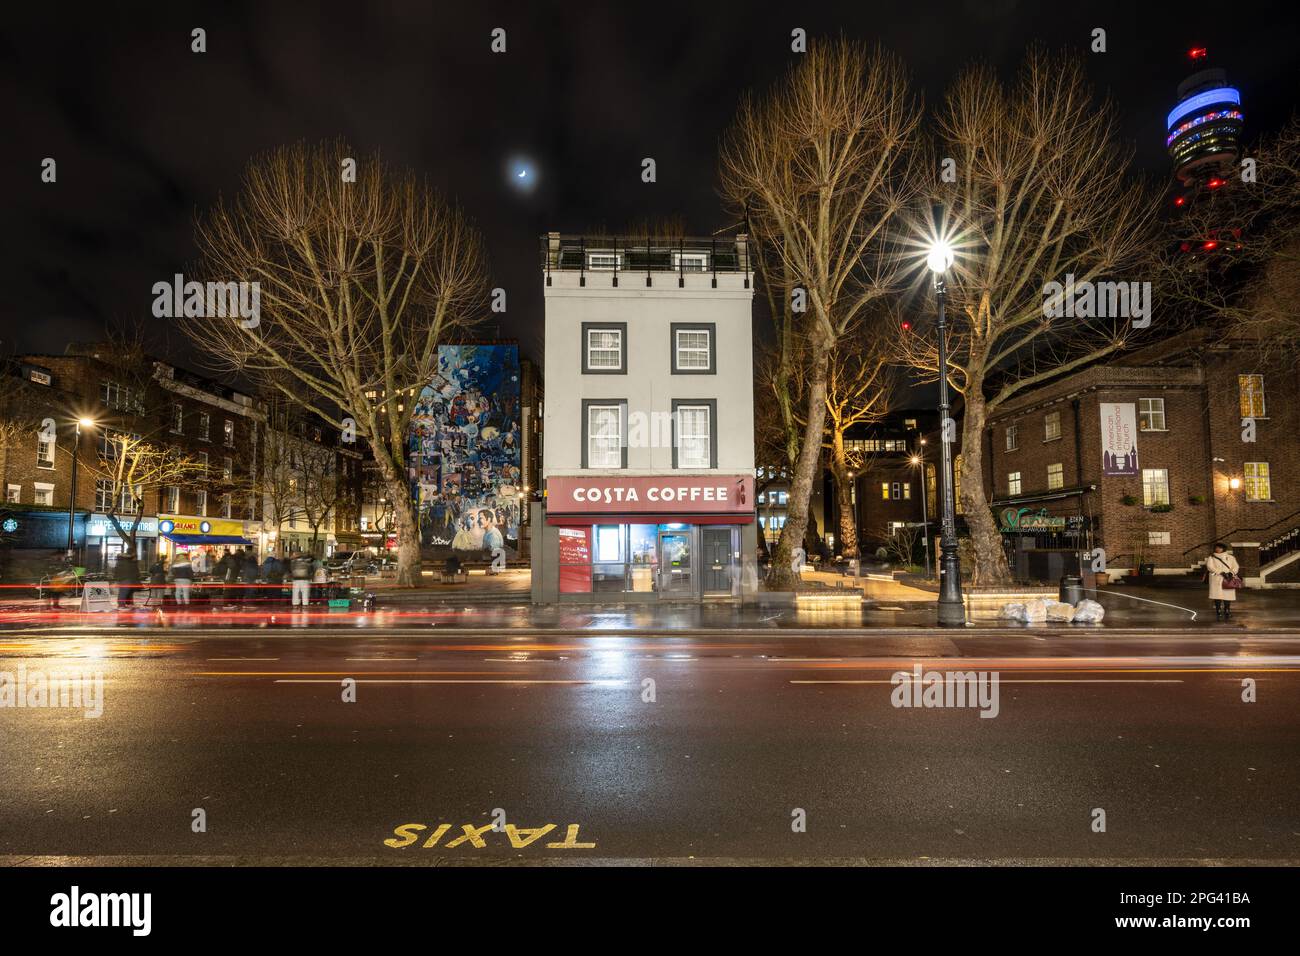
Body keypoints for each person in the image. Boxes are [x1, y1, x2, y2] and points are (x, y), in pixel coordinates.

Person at [1206, 543, 1241, 622]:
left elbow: (1236, 566)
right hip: (1216, 578)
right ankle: (1218, 611)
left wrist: (1231, 573)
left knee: (1227, 595)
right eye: (1217, 548)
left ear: (1223, 549)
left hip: (1228, 578)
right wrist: (1220, 572)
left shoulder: (1230, 557)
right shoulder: (1211, 558)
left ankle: (1227, 610)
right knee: (1217, 596)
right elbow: (1210, 567)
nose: (1218, 549)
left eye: (1220, 548)